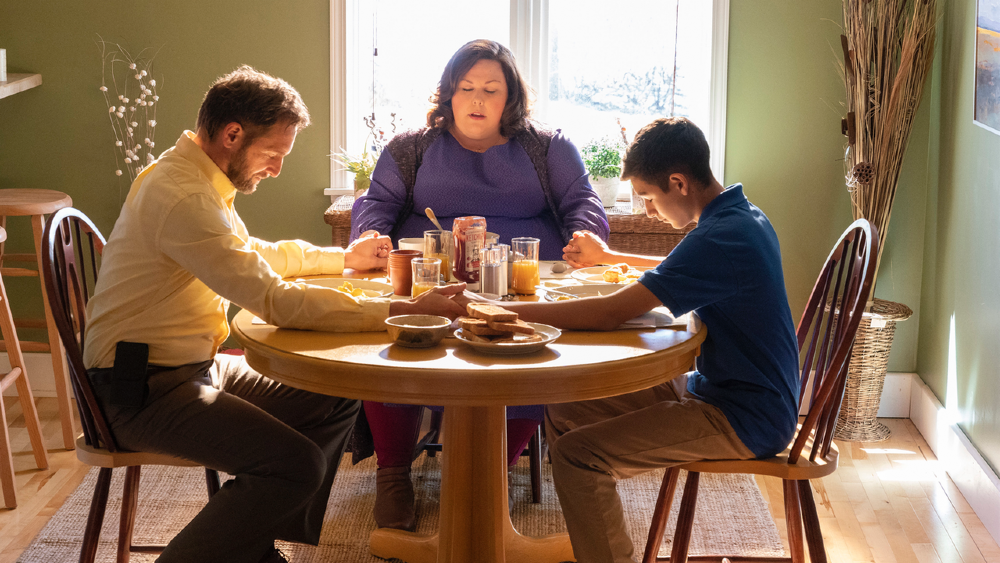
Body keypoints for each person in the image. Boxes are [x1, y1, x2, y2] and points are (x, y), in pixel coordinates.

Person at [83, 66, 469, 563]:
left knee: (335, 395)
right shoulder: (184, 196)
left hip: (184, 367)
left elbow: (250, 253)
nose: (277, 169)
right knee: (296, 467)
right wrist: (402, 310)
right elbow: (277, 301)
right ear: (232, 134)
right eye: (273, 154)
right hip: (136, 388)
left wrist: (343, 259)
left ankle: (249, 544)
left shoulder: (193, 175)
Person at [487, 117, 801, 563]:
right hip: (731, 392)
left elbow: (607, 313)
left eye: (649, 197)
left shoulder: (721, 238)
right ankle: (595, 541)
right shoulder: (740, 217)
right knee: (564, 404)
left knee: (579, 456)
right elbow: (677, 267)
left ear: (678, 182)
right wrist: (609, 257)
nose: (648, 210)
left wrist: (490, 311)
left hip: (744, 417)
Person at [348, 39, 611, 531]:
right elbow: (376, 203)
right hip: (429, 282)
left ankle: (492, 473)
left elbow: (583, 202)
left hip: (521, 286)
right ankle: (393, 476)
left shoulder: (547, 146)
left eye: (491, 89)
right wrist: (371, 236)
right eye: (465, 88)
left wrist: (587, 236)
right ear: (448, 94)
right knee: (393, 351)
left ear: (510, 96)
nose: (476, 99)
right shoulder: (412, 147)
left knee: (531, 362)